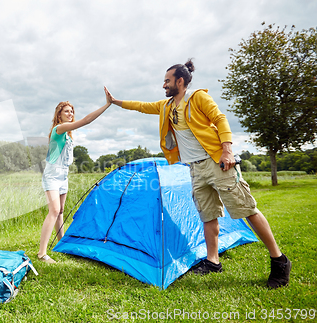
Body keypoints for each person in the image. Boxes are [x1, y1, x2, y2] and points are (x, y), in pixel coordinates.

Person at [104, 59, 291, 289]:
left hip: (218, 163)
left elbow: (220, 119)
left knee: (246, 210)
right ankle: (213, 261)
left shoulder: (197, 98)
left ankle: (279, 261)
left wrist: (227, 150)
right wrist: (115, 102)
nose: (164, 85)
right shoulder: (167, 106)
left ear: (179, 81)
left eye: (167, 81)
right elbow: (142, 106)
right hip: (195, 168)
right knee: (207, 215)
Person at [38, 88, 112, 263]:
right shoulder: (59, 129)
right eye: (67, 111)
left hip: (63, 176)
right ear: (59, 115)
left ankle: (61, 242)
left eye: (72, 111)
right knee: (54, 211)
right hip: (52, 176)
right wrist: (107, 105)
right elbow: (86, 120)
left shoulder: (68, 135)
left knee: (61, 211)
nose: (70, 114)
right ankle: (42, 254)